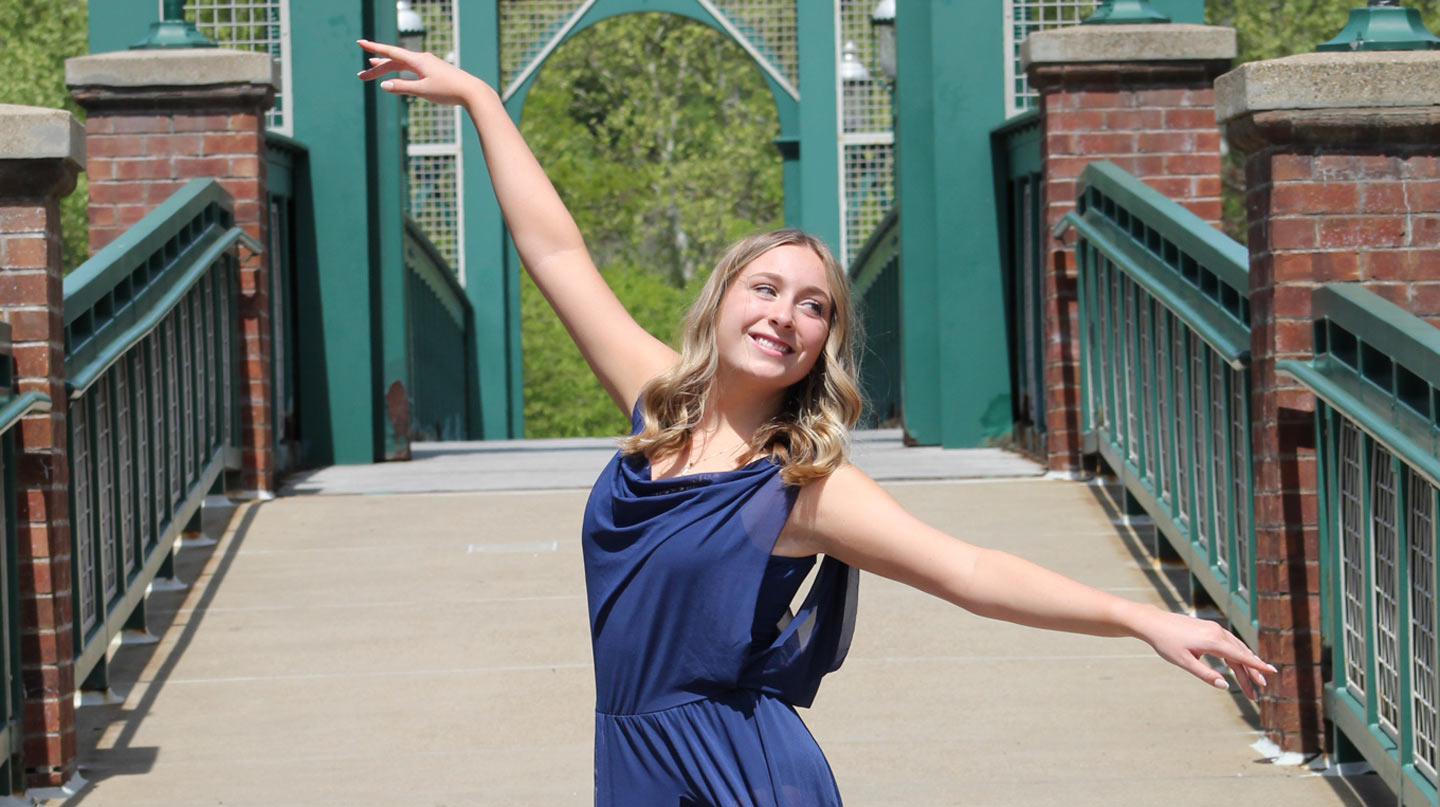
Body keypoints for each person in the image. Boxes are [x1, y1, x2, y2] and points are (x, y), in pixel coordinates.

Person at [357, 39, 1275, 806]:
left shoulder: (803, 485)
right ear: (719, 305)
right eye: (765, 289)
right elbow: (552, 248)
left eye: (814, 307)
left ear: (824, 339)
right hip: (631, 758)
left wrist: (1137, 617)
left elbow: (968, 570)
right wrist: (478, 97)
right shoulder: (657, 402)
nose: (784, 316)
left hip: (742, 771)